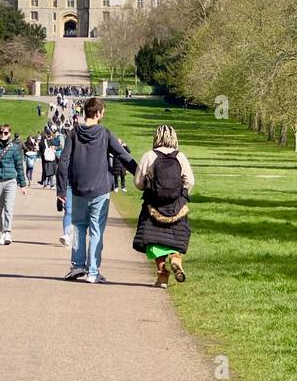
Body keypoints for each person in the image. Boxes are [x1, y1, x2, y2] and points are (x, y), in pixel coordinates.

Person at [56, 97, 136, 284]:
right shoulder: (104, 133)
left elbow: (63, 162)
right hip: (100, 190)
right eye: (103, 113)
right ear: (98, 113)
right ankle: (93, 271)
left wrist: (61, 190)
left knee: (79, 228)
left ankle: (77, 265)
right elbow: (122, 155)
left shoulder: (74, 133)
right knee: (96, 230)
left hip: (78, 189)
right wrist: (140, 172)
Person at [132, 125, 195, 287]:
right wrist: (180, 194)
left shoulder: (149, 156)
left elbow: (138, 183)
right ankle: (175, 258)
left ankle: (162, 276)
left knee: (154, 241)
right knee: (174, 238)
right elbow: (190, 181)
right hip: (177, 207)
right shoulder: (180, 157)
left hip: (154, 206)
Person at [0, 123, 28, 245]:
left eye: (5, 133)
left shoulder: (14, 148)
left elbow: (19, 166)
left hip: (10, 181)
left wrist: (23, 184)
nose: (3, 135)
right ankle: (2, 232)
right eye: (1, 132)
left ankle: (7, 232)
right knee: (0, 208)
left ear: (9, 133)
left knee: (9, 207)